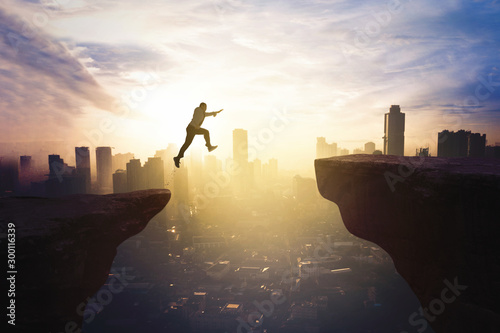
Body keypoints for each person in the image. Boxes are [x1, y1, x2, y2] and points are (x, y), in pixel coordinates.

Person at [174, 102, 223, 168]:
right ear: (202, 106)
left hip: (194, 129)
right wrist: (196, 124)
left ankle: (209, 146)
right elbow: (194, 117)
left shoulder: (203, 113)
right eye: (205, 107)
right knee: (188, 143)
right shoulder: (198, 109)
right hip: (192, 128)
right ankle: (178, 157)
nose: (206, 109)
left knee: (204, 133)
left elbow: (208, 114)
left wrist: (215, 112)